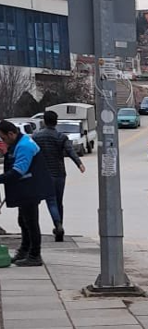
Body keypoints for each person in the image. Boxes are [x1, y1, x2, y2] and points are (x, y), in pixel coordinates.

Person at [0, 121, 55, 267]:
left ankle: (34, 255)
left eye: (3, 138)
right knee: (23, 221)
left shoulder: (24, 146)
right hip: (25, 188)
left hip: (31, 188)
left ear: (11, 134)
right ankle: (24, 251)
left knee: (30, 222)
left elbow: (19, 171)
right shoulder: (19, 142)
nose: (3, 141)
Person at [33, 110, 85, 242]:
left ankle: (56, 225)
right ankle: (59, 225)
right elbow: (70, 151)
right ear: (56, 122)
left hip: (44, 174)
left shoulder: (37, 137)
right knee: (58, 202)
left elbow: (32, 155)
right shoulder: (61, 137)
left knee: (49, 201)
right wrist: (79, 164)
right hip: (60, 173)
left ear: (44, 121)